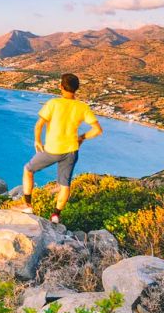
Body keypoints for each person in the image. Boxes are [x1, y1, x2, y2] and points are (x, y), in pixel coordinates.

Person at [13, 73, 103, 223]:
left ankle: (28, 205)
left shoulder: (53, 103)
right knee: (64, 184)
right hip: (71, 151)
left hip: (52, 149)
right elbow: (97, 130)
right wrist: (81, 138)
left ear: (60, 86)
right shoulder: (82, 107)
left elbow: (39, 125)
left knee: (28, 169)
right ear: (76, 88)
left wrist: (37, 141)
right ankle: (56, 215)